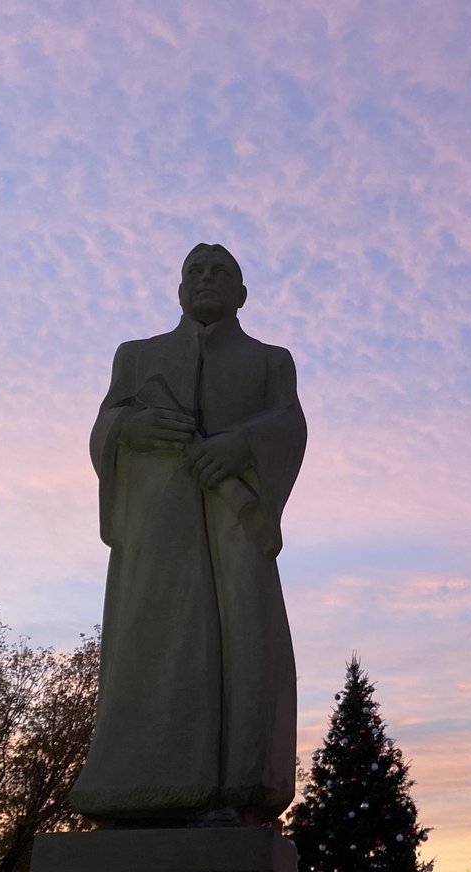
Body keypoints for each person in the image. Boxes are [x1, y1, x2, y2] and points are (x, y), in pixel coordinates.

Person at [69, 243, 307, 825]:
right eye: (194, 272)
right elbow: (106, 424)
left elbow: (288, 423)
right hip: (159, 525)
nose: (206, 279)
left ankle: (238, 789)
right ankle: (134, 788)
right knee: (155, 636)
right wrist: (131, 425)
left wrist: (239, 445)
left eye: (220, 273)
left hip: (235, 520)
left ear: (241, 293)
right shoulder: (136, 355)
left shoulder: (271, 360)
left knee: (246, 639)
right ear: (179, 289)